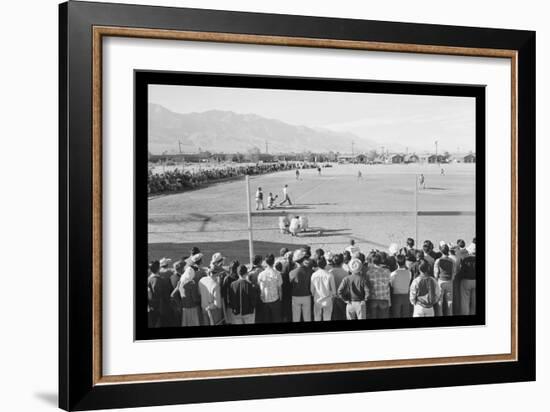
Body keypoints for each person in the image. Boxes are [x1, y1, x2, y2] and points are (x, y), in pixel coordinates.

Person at [257, 254, 283, 323]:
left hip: (265, 300)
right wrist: (280, 299)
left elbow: (260, 287)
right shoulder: (277, 274)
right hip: (275, 300)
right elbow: (280, 288)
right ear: (274, 262)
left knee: (267, 320)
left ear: (265, 262)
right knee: (277, 320)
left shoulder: (261, 274)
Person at [289, 249, 313, 322]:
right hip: (307, 295)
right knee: (307, 317)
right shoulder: (310, 271)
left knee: (296, 318)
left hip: (295, 296)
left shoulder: (292, 272)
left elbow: (290, 283)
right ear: (303, 259)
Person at [365, 253, 391, 319]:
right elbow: (390, 283)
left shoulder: (369, 272)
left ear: (372, 262)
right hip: (384, 299)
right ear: (381, 261)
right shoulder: (387, 271)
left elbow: (367, 285)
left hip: (373, 298)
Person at [310, 256, 336, 321]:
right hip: (327, 299)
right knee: (327, 318)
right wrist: (333, 296)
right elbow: (334, 290)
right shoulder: (329, 275)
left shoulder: (314, 275)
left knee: (317, 317)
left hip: (317, 299)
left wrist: (314, 295)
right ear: (325, 264)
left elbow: (312, 289)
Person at [147, 260, 172, 328]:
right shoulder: (160, 280)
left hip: (151, 306)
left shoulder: (149, 279)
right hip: (160, 308)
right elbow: (165, 296)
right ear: (158, 269)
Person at [178, 261, 201, 327]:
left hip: (184, 308)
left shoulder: (181, 283)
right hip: (192, 308)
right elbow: (195, 298)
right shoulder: (191, 284)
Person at [434, 244, 455, 316]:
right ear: (448, 251)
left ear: (441, 251)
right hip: (449, 281)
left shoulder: (438, 260)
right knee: (449, 301)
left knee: (440, 301)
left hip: (441, 281)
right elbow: (453, 272)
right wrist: (451, 279)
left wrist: (436, 280)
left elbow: (436, 273)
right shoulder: (452, 260)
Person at [329, 253, 349, 320]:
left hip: (332, 299)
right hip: (343, 299)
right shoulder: (346, 273)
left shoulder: (329, 272)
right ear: (342, 262)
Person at [458, 250, 476, 315]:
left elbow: (462, 271)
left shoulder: (465, 260)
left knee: (465, 301)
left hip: (466, 281)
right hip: (475, 281)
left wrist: (459, 277)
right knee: (474, 301)